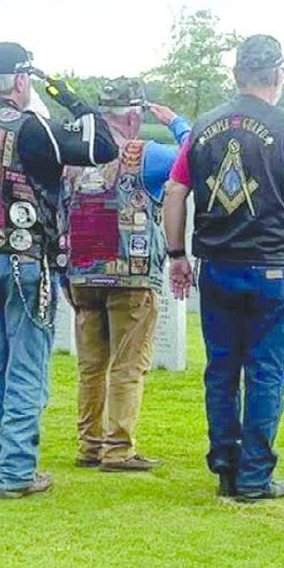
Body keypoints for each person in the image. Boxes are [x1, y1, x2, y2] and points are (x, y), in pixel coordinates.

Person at [0, 41, 118, 498]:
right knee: (26, 368)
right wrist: (66, 93)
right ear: (21, 81)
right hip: (24, 264)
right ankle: (15, 471)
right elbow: (101, 144)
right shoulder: (31, 128)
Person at [163, 35, 284, 501]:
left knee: (221, 369)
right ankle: (255, 476)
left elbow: (176, 191)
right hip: (272, 267)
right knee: (266, 371)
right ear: (279, 74)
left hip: (217, 264)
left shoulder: (203, 127)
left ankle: (225, 465)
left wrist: (176, 254)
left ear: (236, 74)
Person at [60, 79, 190, 472]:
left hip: (82, 274)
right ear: (134, 116)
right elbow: (196, 159)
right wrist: (177, 123)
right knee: (128, 365)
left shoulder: (72, 158)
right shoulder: (146, 154)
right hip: (132, 278)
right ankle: (118, 449)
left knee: (91, 366)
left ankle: (89, 445)